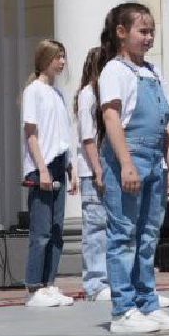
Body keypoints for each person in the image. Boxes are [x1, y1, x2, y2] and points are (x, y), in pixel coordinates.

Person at [98, 2, 169, 335]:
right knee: (123, 235)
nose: (148, 38)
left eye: (151, 32)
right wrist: (126, 164)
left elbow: (166, 126)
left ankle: (147, 302)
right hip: (128, 156)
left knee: (148, 236)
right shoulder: (114, 71)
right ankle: (123, 309)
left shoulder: (153, 71)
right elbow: (111, 118)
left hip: (154, 160)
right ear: (122, 33)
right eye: (142, 31)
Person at [22, 39, 77, 307]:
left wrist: (70, 167)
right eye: (58, 56)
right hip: (40, 166)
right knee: (41, 230)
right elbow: (31, 134)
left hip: (58, 163)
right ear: (46, 58)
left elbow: (62, 134)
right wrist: (42, 169)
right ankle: (34, 287)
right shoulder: (34, 91)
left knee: (56, 230)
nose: (63, 62)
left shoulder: (58, 94)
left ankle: (50, 283)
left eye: (64, 56)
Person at [73, 48, 110, 302]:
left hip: (108, 169)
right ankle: (95, 282)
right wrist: (98, 170)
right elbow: (88, 137)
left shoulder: (104, 94)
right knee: (96, 228)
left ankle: (110, 279)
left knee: (112, 227)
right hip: (92, 170)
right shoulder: (88, 95)